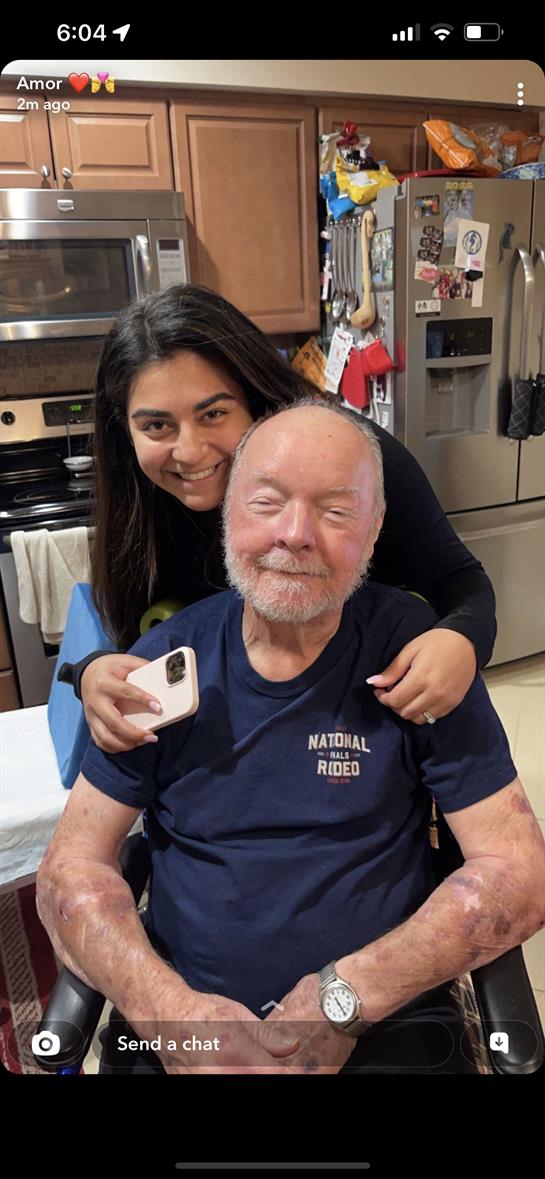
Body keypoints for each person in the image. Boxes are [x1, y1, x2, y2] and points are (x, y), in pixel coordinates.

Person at [38, 399, 545, 1075]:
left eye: (335, 510)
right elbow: (70, 870)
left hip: (384, 1020)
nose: (295, 533)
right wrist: (175, 1018)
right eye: (266, 502)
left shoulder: (418, 662)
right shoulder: (164, 665)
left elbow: (517, 874)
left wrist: (345, 998)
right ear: (228, 514)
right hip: (178, 1026)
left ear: (374, 528)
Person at [70, 284, 496, 754]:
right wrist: (92, 670)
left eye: (213, 413)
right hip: (235, 746)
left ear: (254, 397)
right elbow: (140, 638)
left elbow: (462, 584)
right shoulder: (141, 507)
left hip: (370, 734)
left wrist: (463, 641)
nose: (189, 452)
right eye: (156, 425)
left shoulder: (356, 464)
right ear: (123, 430)